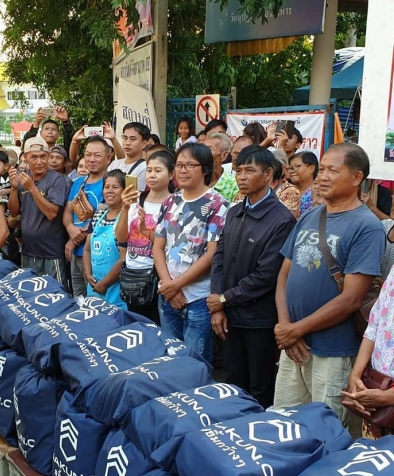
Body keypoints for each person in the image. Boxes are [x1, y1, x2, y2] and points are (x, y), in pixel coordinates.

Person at [273, 143, 385, 427]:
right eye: (321, 169)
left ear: (357, 177)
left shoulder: (365, 226)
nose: (322, 177)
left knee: (325, 430)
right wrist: (285, 328)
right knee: (284, 424)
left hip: (332, 351)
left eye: (333, 171)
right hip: (293, 346)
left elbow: (351, 299)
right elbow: (284, 274)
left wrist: (295, 330)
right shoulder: (312, 215)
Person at [208, 146, 296, 408]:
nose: (241, 177)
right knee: (232, 381)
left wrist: (224, 299)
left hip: (260, 320)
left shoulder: (281, 219)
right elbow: (219, 258)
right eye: (238, 171)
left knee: (259, 386)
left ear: (268, 174)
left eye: (250, 170)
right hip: (230, 316)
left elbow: (266, 275)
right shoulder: (234, 212)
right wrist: (217, 303)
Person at [153, 143, 229, 363]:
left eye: (189, 165)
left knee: (195, 363)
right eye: (179, 165)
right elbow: (158, 246)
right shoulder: (170, 201)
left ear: (204, 169)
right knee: (169, 359)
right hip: (167, 294)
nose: (183, 170)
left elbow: (211, 255)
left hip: (198, 298)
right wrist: (168, 285)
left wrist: (176, 286)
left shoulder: (218, 205)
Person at [115, 149, 175, 322]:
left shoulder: (174, 203)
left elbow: (171, 243)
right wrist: (125, 208)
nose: (152, 175)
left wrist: (145, 231)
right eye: (149, 170)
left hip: (157, 275)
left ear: (171, 174)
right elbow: (121, 238)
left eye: (158, 170)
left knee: (157, 325)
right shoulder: (136, 199)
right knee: (136, 327)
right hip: (133, 274)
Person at [8, 136, 69, 287]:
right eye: (33, 157)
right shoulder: (24, 178)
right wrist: (14, 189)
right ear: (26, 158)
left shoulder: (57, 179)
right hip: (29, 250)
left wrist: (32, 188)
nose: (39, 161)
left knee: (57, 294)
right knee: (32, 294)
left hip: (51, 251)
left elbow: (52, 213)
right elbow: (14, 212)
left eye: (43, 156)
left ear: (48, 157)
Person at [342, 270, 394, 439]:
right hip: (378, 387)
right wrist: (356, 374)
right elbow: (375, 324)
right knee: (375, 460)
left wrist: (389, 397)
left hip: (386, 396)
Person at [63, 136, 112, 296]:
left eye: (97, 155)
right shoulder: (78, 182)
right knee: (79, 300)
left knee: (96, 300)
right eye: (88, 155)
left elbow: (105, 217)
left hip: (97, 254)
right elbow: (68, 212)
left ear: (108, 158)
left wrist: (73, 240)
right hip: (76, 254)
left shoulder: (111, 184)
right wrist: (70, 227)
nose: (91, 159)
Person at [83, 170, 126, 307]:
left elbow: (124, 259)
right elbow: (87, 249)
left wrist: (105, 283)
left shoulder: (128, 218)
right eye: (107, 187)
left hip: (116, 288)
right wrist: (88, 273)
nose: (110, 191)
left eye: (115, 187)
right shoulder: (98, 215)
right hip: (94, 286)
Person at [107, 122, 149, 190]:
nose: (127, 143)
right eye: (125, 138)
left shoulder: (145, 168)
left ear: (144, 143)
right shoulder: (114, 164)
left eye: (133, 139)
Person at [206, 132, 237, 202]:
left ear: (223, 156)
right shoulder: (195, 180)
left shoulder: (234, 185)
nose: (202, 152)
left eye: (209, 149)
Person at [288, 151, 319, 216]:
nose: (292, 171)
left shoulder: (319, 192)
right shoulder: (286, 191)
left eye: (296, 166)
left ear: (311, 168)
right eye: (290, 168)